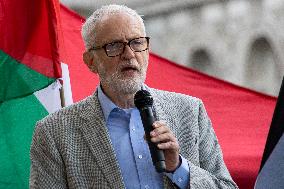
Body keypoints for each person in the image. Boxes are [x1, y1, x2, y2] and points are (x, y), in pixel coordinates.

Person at [30, 4, 238, 189]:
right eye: (114, 46)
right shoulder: (54, 132)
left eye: (137, 43)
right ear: (90, 61)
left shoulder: (190, 111)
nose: (129, 54)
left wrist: (179, 168)